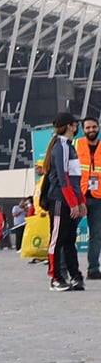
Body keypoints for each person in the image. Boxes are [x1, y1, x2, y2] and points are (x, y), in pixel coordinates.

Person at [45, 112, 85, 292]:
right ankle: (55, 277)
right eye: (75, 124)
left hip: (70, 199)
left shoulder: (69, 146)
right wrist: (74, 202)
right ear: (70, 126)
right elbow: (63, 178)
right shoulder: (61, 147)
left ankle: (74, 275)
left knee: (69, 240)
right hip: (60, 200)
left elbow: (76, 179)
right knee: (57, 239)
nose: (78, 127)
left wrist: (80, 201)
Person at [75, 116, 101, 278]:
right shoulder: (76, 145)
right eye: (88, 128)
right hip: (79, 196)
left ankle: (93, 269)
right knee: (69, 233)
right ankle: (65, 267)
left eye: (94, 127)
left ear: (98, 128)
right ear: (83, 130)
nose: (91, 130)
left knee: (97, 235)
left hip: (98, 198)